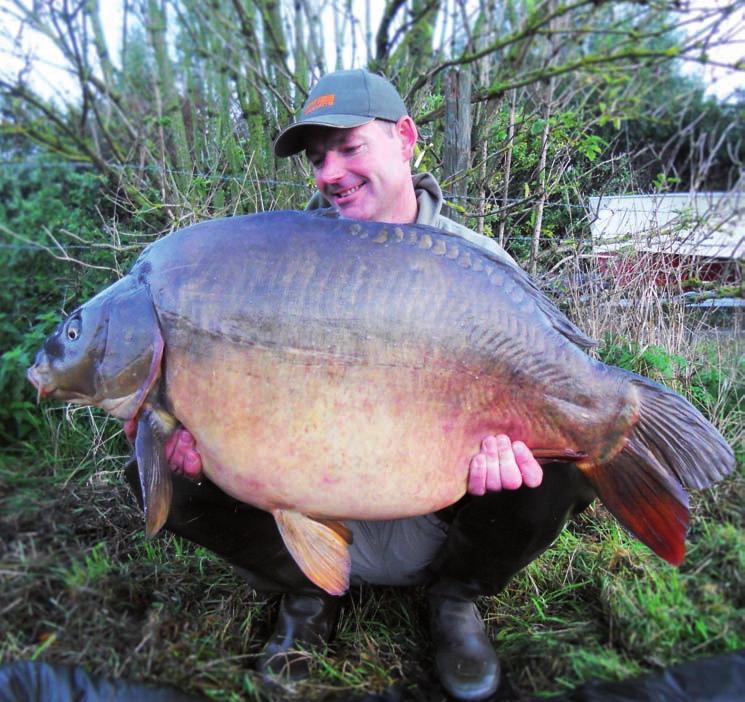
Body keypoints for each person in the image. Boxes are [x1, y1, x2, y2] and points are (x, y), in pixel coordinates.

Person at [126, 69, 595, 701]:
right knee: (152, 459)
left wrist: (515, 445)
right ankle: (307, 591)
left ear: (405, 138)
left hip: (438, 512)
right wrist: (202, 446)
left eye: (350, 147)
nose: (330, 172)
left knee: (572, 453)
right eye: (319, 158)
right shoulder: (280, 260)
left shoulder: (476, 266)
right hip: (305, 503)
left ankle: (457, 597)